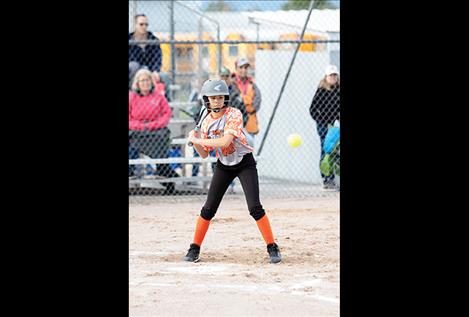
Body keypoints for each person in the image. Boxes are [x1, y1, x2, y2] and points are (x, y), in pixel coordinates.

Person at [182, 79, 281, 264]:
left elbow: (225, 142)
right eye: (213, 98)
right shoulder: (205, 123)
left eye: (221, 97)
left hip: (244, 164)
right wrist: (195, 141)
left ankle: (272, 246)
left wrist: (198, 141)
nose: (217, 101)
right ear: (207, 100)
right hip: (224, 166)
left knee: (255, 208)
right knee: (208, 209)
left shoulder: (233, 114)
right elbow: (204, 154)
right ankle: (194, 248)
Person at [129, 68, 179, 194]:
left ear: (151, 82)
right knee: (130, 145)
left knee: (162, 139)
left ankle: (164, 174)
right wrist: (140, 126)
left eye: (147, 80)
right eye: (142, 81)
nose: (145, 83)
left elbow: (166, 114)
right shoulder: (132, 97)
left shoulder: (158, 96)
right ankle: (130, 173)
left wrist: (153, 125)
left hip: (156, 130)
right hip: (137, 130)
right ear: (137, 83)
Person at [309, 64, 340, 190]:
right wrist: (321, 120)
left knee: (336, 151)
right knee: (326, 149)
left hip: (335, 125)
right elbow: (312, 109)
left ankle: (333, 177)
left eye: (334, 75)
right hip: (323, 125)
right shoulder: (321, 90)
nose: (333, 77)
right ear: (326, 77)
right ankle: (327, 178)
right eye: (330, 75)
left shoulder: (338, 90)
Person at [129, 14, 163, 87]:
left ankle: (165, 98)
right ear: (135, 25)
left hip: (150, 70)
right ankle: (132, 93)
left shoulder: (153, 40)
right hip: (134, 72)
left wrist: (155, 71)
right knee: (133, 65)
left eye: (146, 24)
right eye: (141, 24)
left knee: (165, 76)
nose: (144, 27)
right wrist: (142, 70)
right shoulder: (129, 40)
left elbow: (158, 58)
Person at [232, 57, 262, 138]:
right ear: (236, 68)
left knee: (249, 148)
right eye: (241, 67)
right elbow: (231, 101)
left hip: (250, 122)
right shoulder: (231, 84)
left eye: (246, 67)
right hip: (234, 122)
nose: (244, 70)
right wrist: (246, 102)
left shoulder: (252, 84)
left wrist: (244, 103)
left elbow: (257, 100)